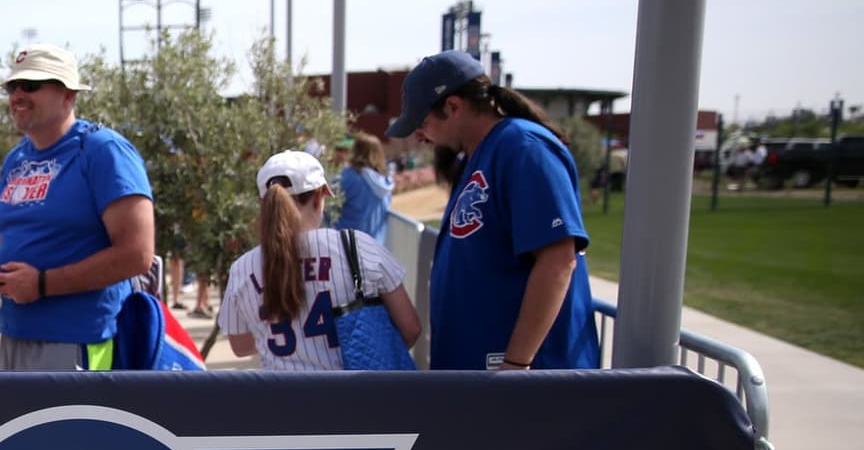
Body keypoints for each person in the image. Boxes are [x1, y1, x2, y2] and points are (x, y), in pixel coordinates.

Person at [387, 50, 599, 371]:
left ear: (453, 106)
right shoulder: (483, 154)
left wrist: (516, 362)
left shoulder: (524, 147)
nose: (420, 136)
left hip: (526, 382)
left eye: (423, 122)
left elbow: (558, 260)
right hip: (483, 377)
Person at [0, 43, 154, 370]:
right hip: (14, 334)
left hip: (81, 340)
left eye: (31, 85)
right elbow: (15, 236)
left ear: (68, 94)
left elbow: (137, 254)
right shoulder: (16, 158)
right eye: (12, 87)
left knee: (75, 424)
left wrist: (43, 284)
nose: (18, 95)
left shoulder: (104, 151)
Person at [221, 150, 420, 371]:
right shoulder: (357, 246)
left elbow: (239, 346)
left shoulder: (242, 268)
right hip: (355, 400)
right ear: (319, 196)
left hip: (281, 401)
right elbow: (410, 328)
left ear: (263, 204)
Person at [333, 132, 395, 241]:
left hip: (346, 244)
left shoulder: (348, 176)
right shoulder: (386, 182)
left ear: (356, 151)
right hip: (375, 246)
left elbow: (330, 207)